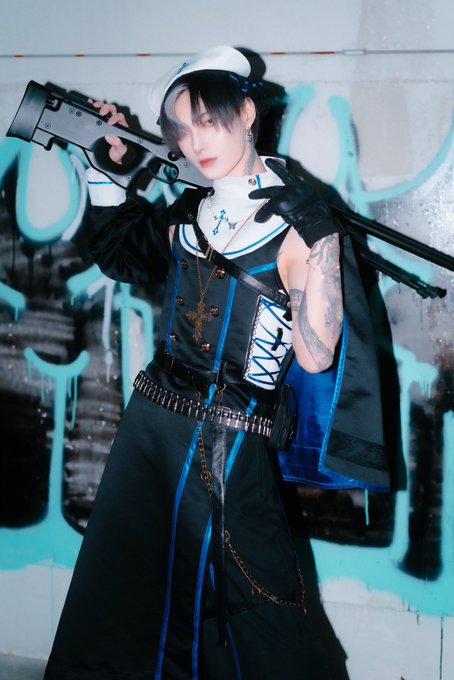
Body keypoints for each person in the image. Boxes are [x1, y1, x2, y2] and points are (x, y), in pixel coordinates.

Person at [44, 45, 347, 680]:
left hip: (232, 443)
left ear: (246, 114)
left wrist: (320, 243)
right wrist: (104, 169)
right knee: (136, 587)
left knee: (262, 602)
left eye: (208, 121)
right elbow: (125, 255)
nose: (195, 142)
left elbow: (316, 358)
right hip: (154, 426)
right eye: (182, 128)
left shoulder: (296, 220)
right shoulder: (191, 211)